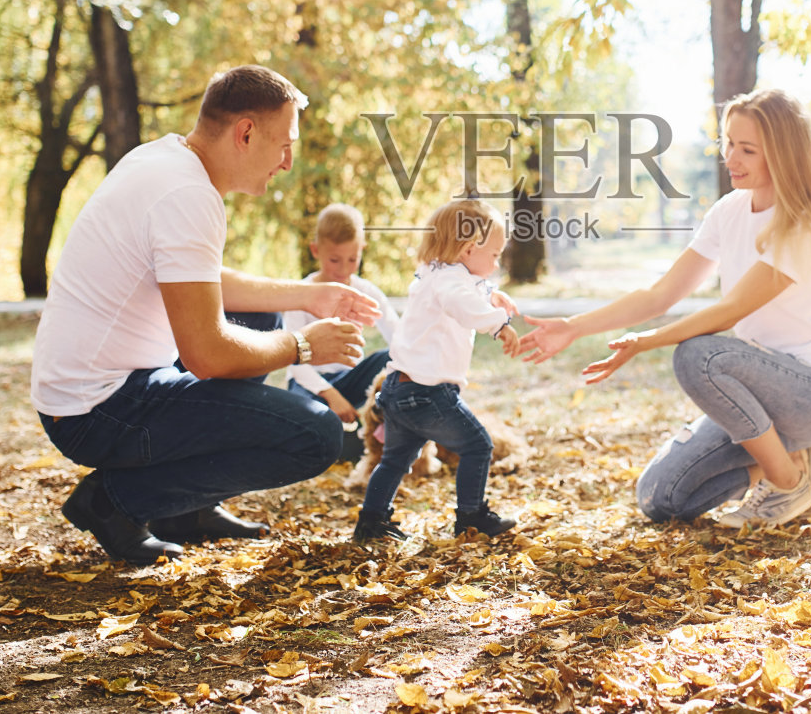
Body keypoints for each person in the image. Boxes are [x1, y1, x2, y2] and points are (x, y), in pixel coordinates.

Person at [32, 65, 380, 564]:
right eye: (284, 145)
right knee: (316, 436)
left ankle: (186, 511)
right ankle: (113, 503)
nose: (287, 163)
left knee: (262, 317)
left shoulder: (163, 159)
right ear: (246, 133)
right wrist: (305, 346)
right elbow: (207, 355)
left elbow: (201, 280)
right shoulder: (189, 195)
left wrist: (307, 296)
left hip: (86, 391)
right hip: (96, 411)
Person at [516, 89, 811, 528]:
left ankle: (787, 482)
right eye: (728, 143)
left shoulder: (802, 224)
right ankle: (795, 460)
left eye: (748, 149)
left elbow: (730, 310)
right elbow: (659, 296)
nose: (731, 158)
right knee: (661, 497)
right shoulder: (729, 211)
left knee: (698, 355)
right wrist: (572, 326)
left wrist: (647, 342)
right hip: (762, 395)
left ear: (783, 154)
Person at [352, 199, 521, 543]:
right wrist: (499, 324)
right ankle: (471, 517)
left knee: (395, 460)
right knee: (478, 446)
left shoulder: (435, 274)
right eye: (494, 255)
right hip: (427, 394)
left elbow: (468, 289)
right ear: (468, 249)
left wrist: (491, 295)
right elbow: (463, 303)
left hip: (398, 389)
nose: (496, 263)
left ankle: (371, 521)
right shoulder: (451, 284)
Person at [279, 203, 398, 457]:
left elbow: (399, 338)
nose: (343, 270)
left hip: (350, 378)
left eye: (352, 259)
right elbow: (295, 363)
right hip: (311, 384)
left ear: (362, 249)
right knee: (308, 418)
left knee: (392, 357)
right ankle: (338, 438)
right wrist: (332, 395)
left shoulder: (366, 292)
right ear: (316, 250)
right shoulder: (301, 294)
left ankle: (365, 433)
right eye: (334, 260)